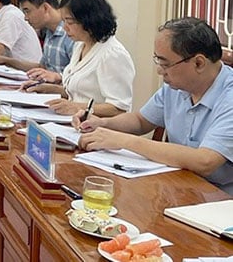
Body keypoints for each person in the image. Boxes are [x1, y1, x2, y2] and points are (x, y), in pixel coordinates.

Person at [75, 17, 233, 195]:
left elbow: (205, 161)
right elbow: (141, 120)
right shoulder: (177, 86)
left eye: (165, 64)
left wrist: (123, 141)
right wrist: (103, 124)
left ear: (199, 63)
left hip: (220, 201)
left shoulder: (229, 98)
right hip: (179, 186)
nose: (159, 71)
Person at [24, 0, 134, 117]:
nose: (65, 27)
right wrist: (46, 88)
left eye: (69, 22)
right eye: (64, 21)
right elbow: (79, 93)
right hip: (73, 122)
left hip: (98, 129)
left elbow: (119, 108)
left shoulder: (112, 54)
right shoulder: (80, 45)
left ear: (89, 20)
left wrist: (76, 107)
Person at [0, 0, 74, 75]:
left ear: (45, 8)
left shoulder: (71, 35)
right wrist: (6, 61)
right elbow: (42, 67)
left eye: (27, 11)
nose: (25, 18)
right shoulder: (49, 32)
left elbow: (74, 82)